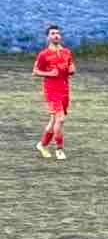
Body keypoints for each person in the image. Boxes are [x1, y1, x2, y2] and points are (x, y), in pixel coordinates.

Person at [32, 23, 75, 161]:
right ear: (48, 37)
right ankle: (59, 149)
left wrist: (72, 70)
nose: (56, 35)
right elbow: (35, 71)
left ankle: (42, 145)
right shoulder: (44, 54)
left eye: (57, 33)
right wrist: (49, 74)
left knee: (54, 120)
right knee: (60, 119)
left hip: (65, 90)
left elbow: (71, 66)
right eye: (53, 33)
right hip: (51, 91)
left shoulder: (67, 52)